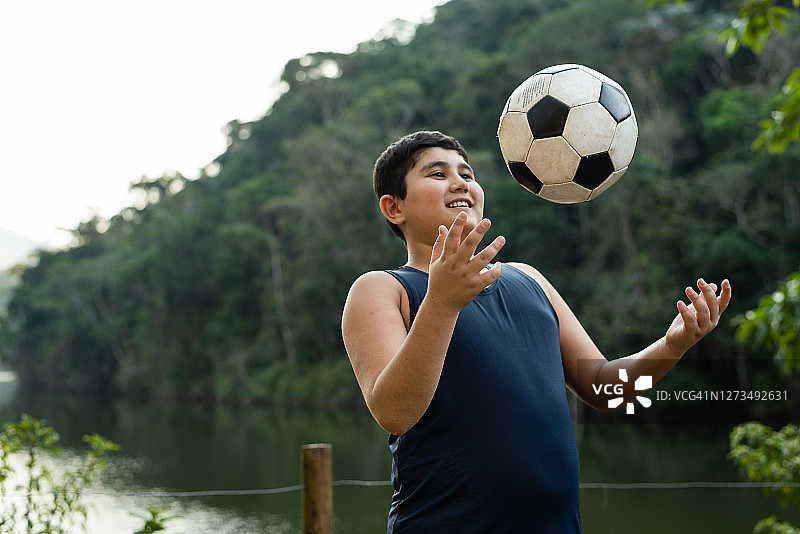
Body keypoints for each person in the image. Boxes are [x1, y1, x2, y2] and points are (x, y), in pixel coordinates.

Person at [341, 131, 732, 533]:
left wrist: (673, 344)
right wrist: (441, 304)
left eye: (466, 173)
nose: (460, 182)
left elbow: (606, 390)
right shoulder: (382, 290)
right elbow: (395, 413)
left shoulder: (529, 280)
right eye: (437, 174)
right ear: (393, 207)